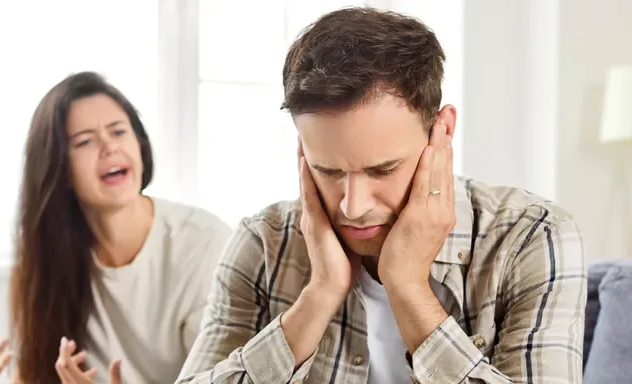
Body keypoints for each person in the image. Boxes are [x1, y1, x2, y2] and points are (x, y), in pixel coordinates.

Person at [177, 7, 586, 384]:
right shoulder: (263, 240)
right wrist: (317, 297)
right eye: (328, 170)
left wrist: (407, 286)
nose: (352, 207)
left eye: (383, 170)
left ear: (441, 131)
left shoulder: (532, 236)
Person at [0, 71, 232, 384]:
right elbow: (33, 376)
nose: (108, 147)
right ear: (59, 169)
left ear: (139, 145)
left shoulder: (206, 243)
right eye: (85, 141)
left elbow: (228, 378)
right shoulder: (43, 259)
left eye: (118, 131)